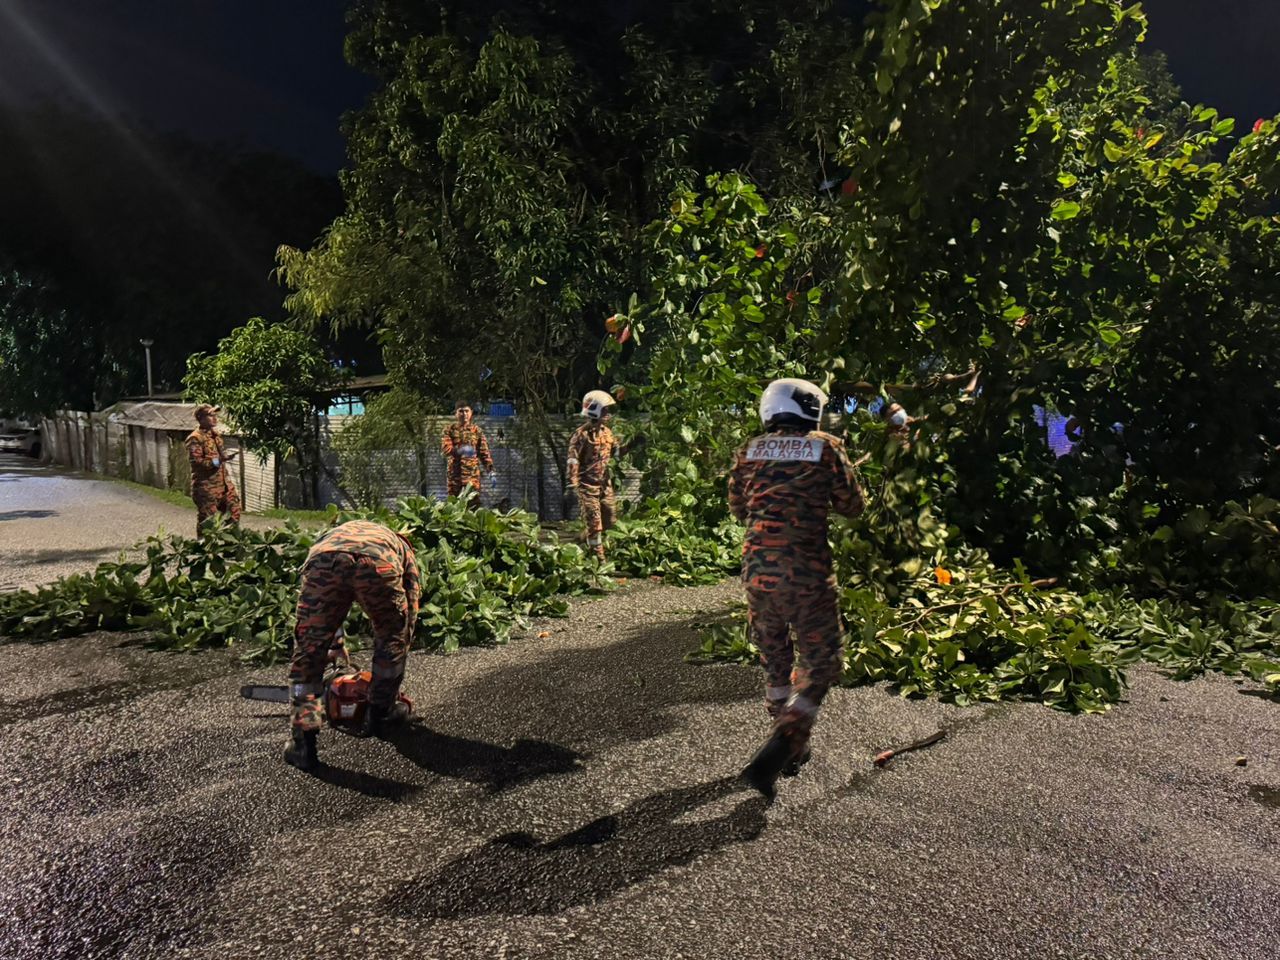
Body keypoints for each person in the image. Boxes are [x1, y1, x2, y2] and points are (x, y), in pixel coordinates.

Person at [728, 378, 865, 800]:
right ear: (811, 410)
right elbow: (853, 507)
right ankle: (788, 735)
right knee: (822, 660)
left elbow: (737, 507)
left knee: (775, 654)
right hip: (806, 572)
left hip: (758, 573)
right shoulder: (825, 447)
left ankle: (790, 739)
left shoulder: (748, 450)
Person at [284, 519, 421, 771]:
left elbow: (326, 603)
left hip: (323, 560)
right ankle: (382, 714)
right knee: (392, 637)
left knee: (308, 652)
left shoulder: (333, 536)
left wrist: (333, 643)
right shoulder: (401, 549)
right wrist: (396, 647)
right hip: (378, 565)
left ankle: (303, 742)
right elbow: (408, 614)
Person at [567, 390, 620, 561]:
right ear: (594, 411)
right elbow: (573, 459)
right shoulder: (581, 435)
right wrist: (573, 482)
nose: (608, 414)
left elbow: (617, 453)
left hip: (605, 484)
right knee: (595, 523)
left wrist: (633, 445)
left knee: (610, 519)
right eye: (605, 410)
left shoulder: (608, 433)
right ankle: (598, 559)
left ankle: (585, 538)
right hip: (587, 485)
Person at [184, 404, 242, 537]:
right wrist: (220, 460)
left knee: (233, 511)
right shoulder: (195, 438)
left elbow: (221, 457)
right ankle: (204, 550)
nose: (215, 418)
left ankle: (231, 546)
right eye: (211, 415)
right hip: (206, 487)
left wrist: (224, 459)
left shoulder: (216, 435)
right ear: (201, 418)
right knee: (208, 521)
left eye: (215, 415)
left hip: (224, 485)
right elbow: (198, 463)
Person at [441, 403, 495, 503]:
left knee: (473, 505)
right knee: (454, 506)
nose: (464, 414)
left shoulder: (477, 431)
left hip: (472, 476)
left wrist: (491, 471)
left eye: (467, 411)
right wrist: (459, 450)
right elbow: (446, 449)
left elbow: (484, 453)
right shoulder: (449, 430)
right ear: (456, 414)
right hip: (455, 476)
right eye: (461, 411)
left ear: (471, 413)